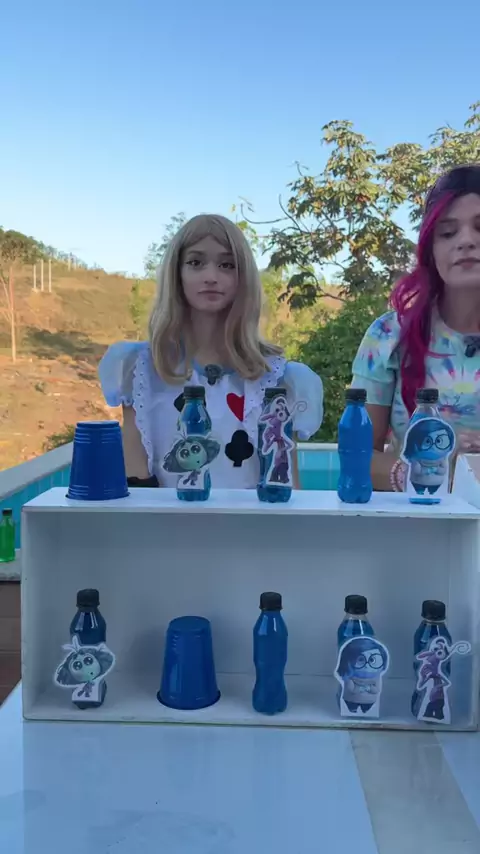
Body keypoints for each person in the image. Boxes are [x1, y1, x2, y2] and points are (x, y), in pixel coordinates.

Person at [99, 214, 323, 488]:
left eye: (227, 265)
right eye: (196, 263)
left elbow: (286, 484)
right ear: (176, 273)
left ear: (243, 276)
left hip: (254, 518)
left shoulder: (280, 378)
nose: (211, 277)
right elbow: (135, 479)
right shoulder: (140, 368)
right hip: (161, 517)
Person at [351, 165, 480, 491]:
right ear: (430, 250)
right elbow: (357, 456)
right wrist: (431, 471)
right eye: (447, 233)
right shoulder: (387, 336)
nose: (466, 241)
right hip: (414, 520)